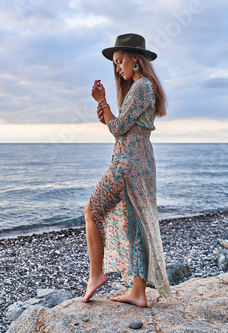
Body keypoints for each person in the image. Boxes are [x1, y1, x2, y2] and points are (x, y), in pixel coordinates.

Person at [82, 33, 172, 306]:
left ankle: (96, 274)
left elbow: (119, 128)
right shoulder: (142, 88)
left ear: (136, 59)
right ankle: (138, 292)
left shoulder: (142, 86)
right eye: (115, 64)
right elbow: (120, 128)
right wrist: (108, 115)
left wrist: (103, 104)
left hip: (128, 163)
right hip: (139, 160)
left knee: (92, 210)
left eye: (120, 61)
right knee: (135, 224)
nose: (118, 68)